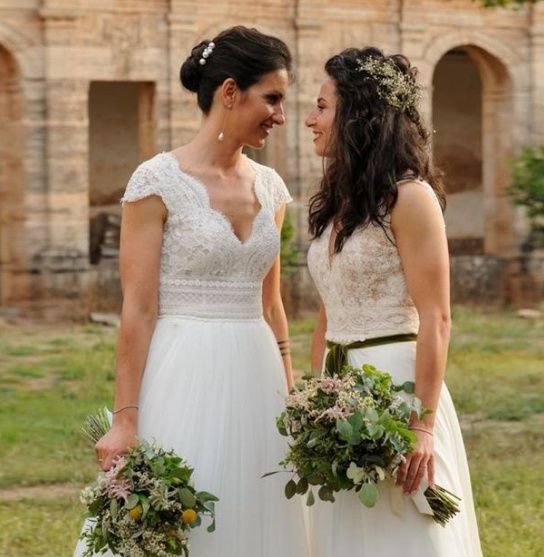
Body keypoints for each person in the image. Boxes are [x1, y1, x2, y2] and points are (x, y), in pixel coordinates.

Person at [73, 25, 309, 557]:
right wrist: (125, 417)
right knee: (179, 516)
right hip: (183, 369)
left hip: (259, 375)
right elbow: (137, 306)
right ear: (230, 92)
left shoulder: (270, 187)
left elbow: (272, 304)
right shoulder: (157, 181)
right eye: (271, 98)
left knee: (259, 508)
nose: (281, 114)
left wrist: (292, 397)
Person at [304, 47, 483, 556]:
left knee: (409, 531)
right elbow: (327, 309)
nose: (310, 119)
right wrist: (316, 401)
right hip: (340, 392)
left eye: (322, 106)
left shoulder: (411, 198)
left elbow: (437, 318)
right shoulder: (339, 202)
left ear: (358, 114)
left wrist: (421, 426)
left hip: (397, 386)